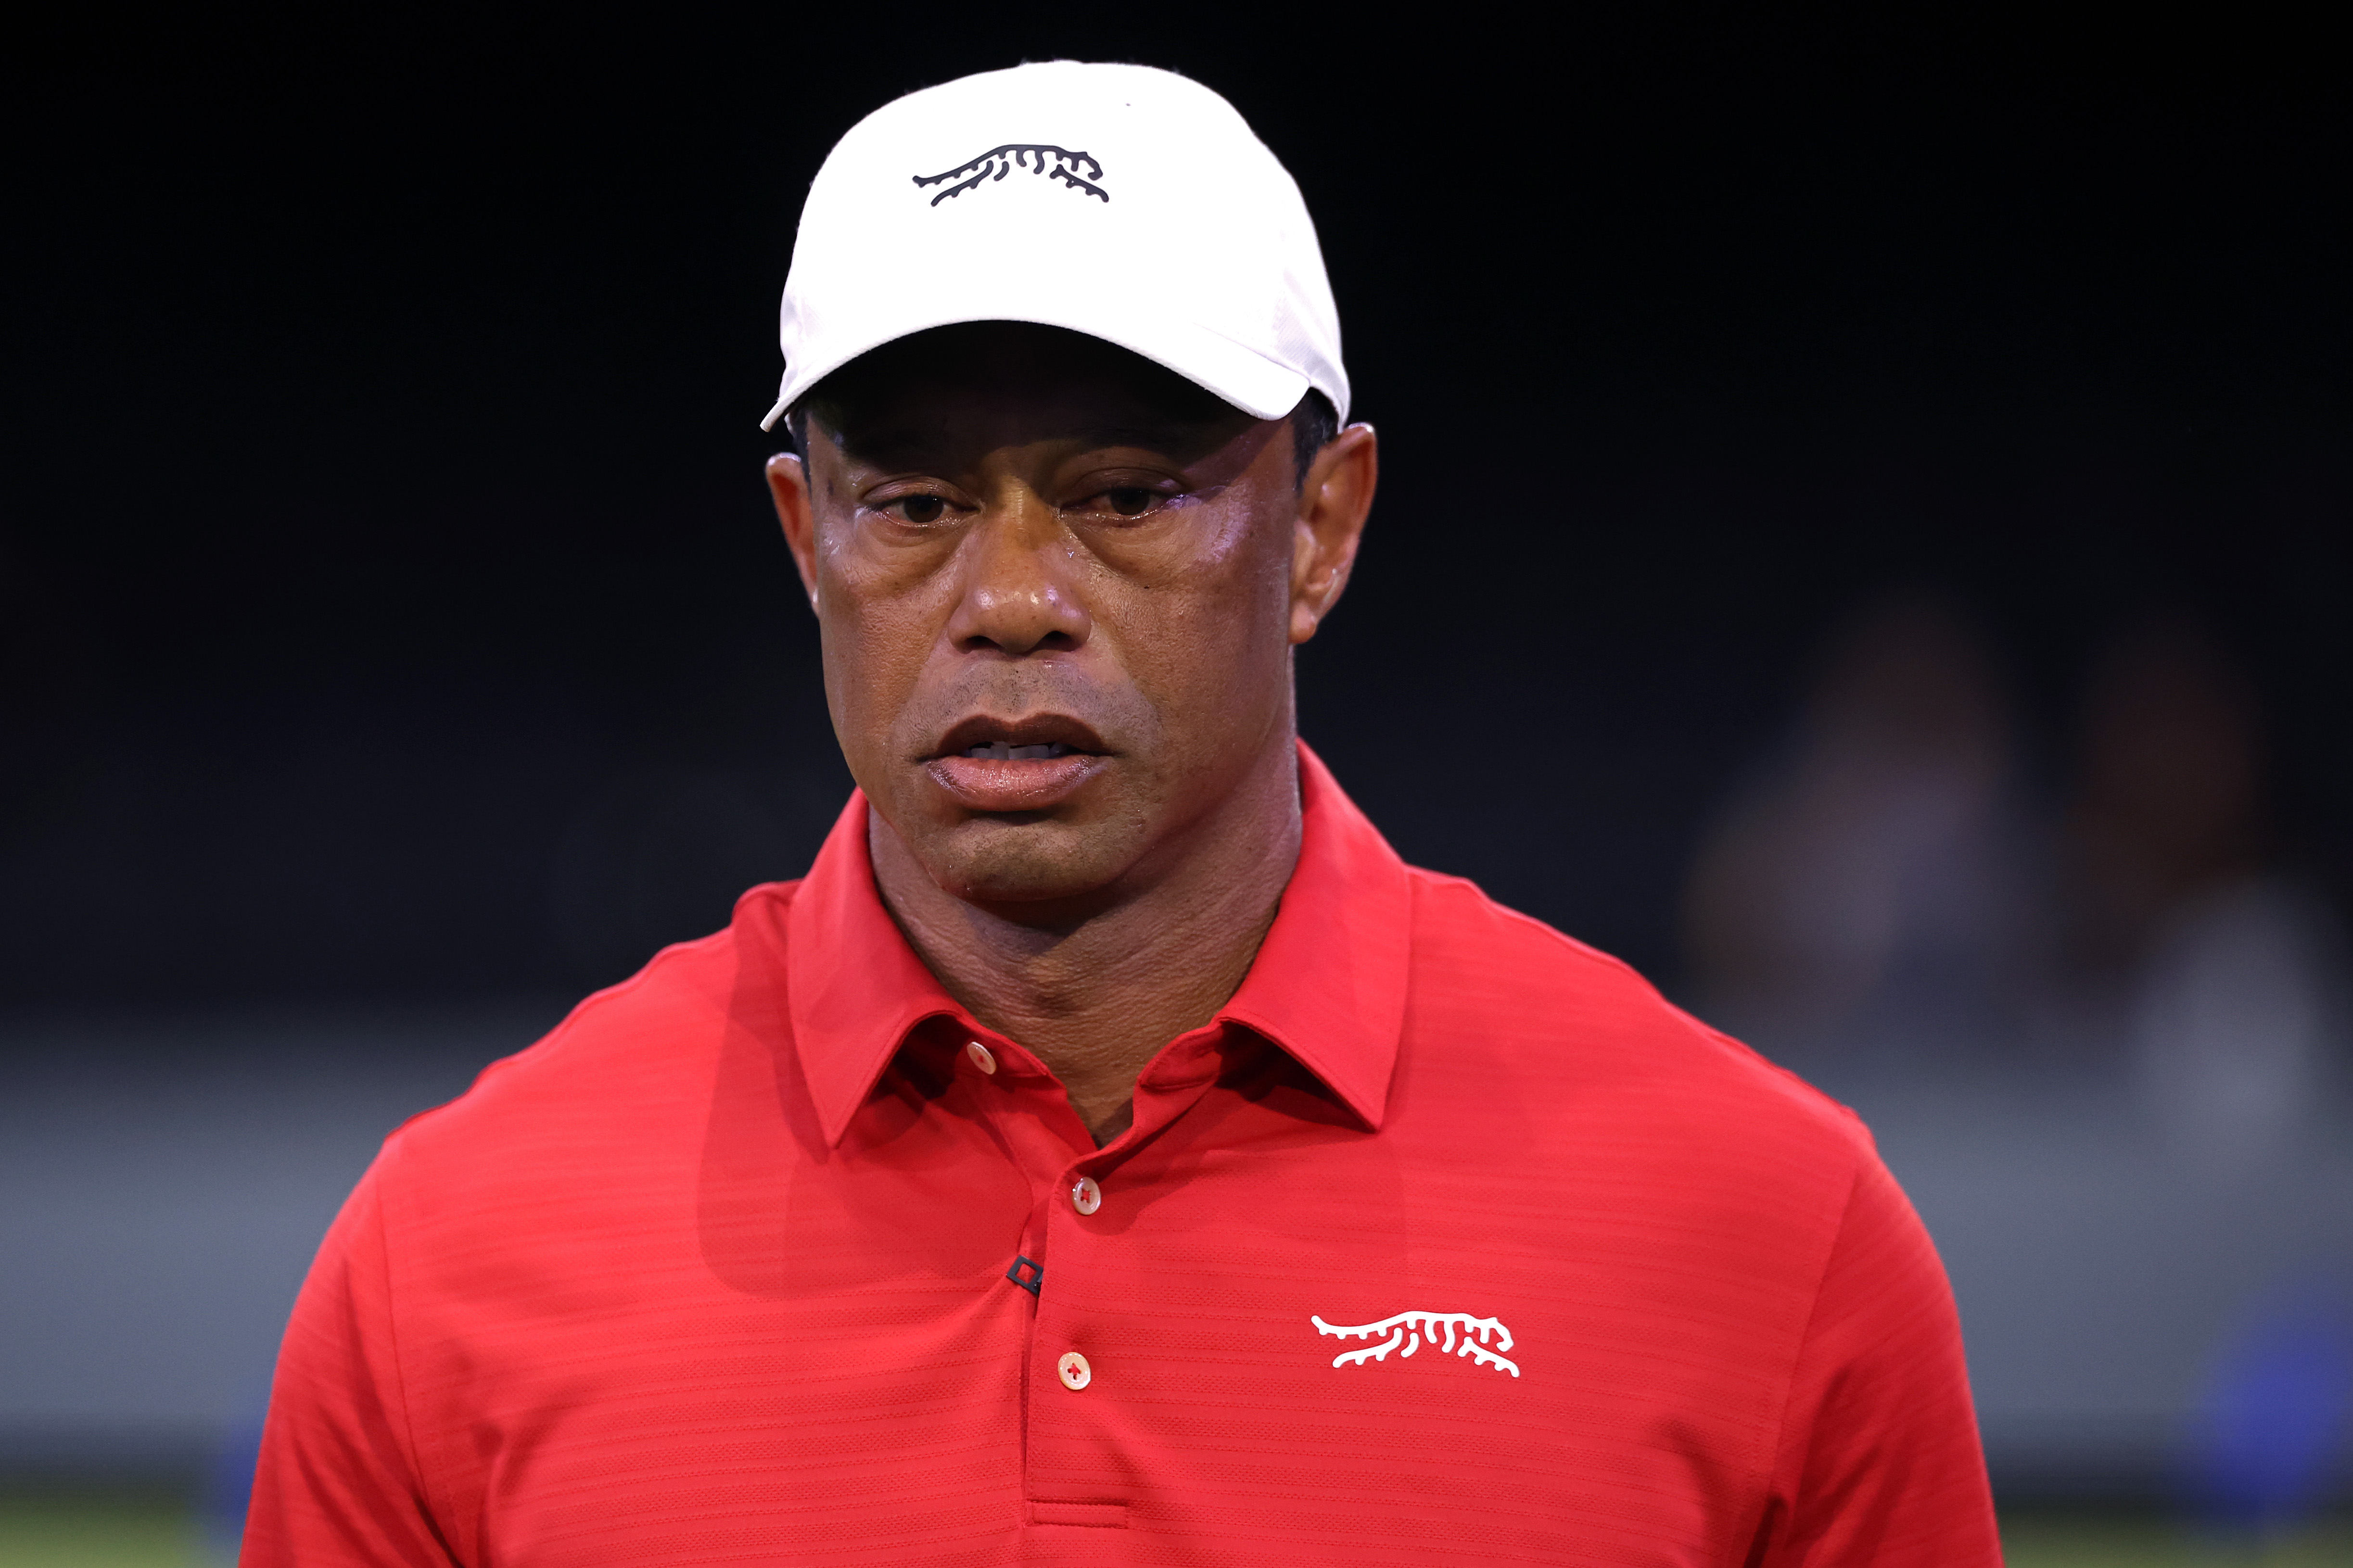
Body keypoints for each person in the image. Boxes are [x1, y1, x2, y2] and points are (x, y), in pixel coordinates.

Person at [245, 62, 1999, 1565]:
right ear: (805, 544)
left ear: (1321, 528)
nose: (1011, 596)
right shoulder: (453, 1261)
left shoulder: (1761, 1230)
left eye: (1126, 493)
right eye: (917, 500)